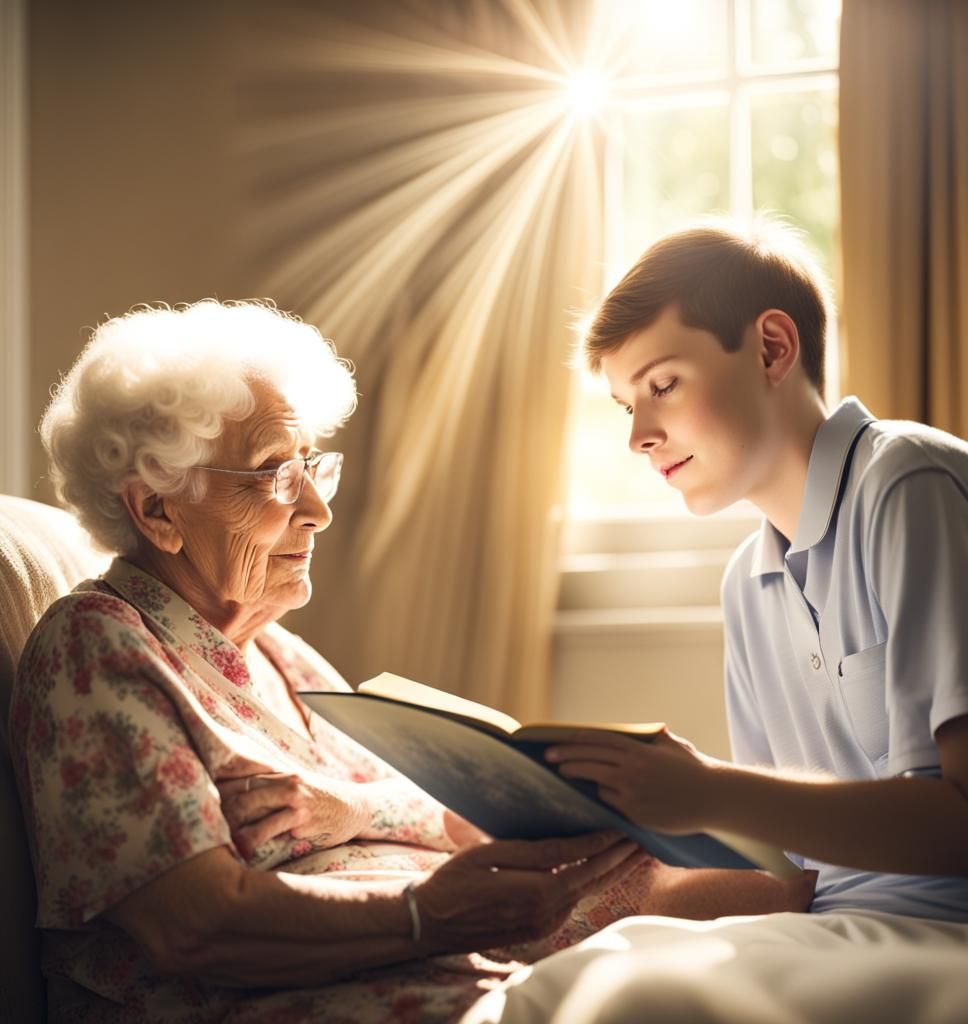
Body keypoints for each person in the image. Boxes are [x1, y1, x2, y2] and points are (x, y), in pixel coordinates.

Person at [10, 299, 813, 1024]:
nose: (319, 510)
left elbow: (438, 811)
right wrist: (429, 914)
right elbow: (196, 927)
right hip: (275, 993)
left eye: (311, 467)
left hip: (422, 939)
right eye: (273, 475)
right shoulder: (100, 648)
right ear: (156, 509)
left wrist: (360, 815)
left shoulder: (278, 655)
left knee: (738, 889)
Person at [462, 219, 968, 1024]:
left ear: (770, 349)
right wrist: (616, 862)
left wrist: (709, 791)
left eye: (661, 386)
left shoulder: (910, 484)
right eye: (625, 405)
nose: (637, 436)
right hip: (842, 927)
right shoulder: (748, 581)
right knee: (541, 990)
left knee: (634, 1000)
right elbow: (791, 872)